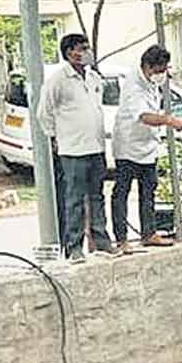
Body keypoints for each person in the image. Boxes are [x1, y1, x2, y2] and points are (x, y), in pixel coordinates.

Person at [37, 33, 117, 262]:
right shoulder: (58, 80)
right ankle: (73, 246)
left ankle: (101, 240)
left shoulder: (93, 78)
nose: (86, 51)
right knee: (74, 198)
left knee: (97, 196)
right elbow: (44, 112)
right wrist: (54, 136)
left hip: (96, 146)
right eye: (82, 48)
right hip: (72, 149)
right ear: (70, 52)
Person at [110, 45, 182, 252]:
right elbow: (144, 116)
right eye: (159, 70)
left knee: (149, 189)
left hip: (147, 146)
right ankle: (121, 238)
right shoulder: (133, 86)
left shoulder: (151, 83)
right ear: (147, 66)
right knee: (122, 192)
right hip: (128, 145)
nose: (162, 74)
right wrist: (169, 121)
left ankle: (149, 232)